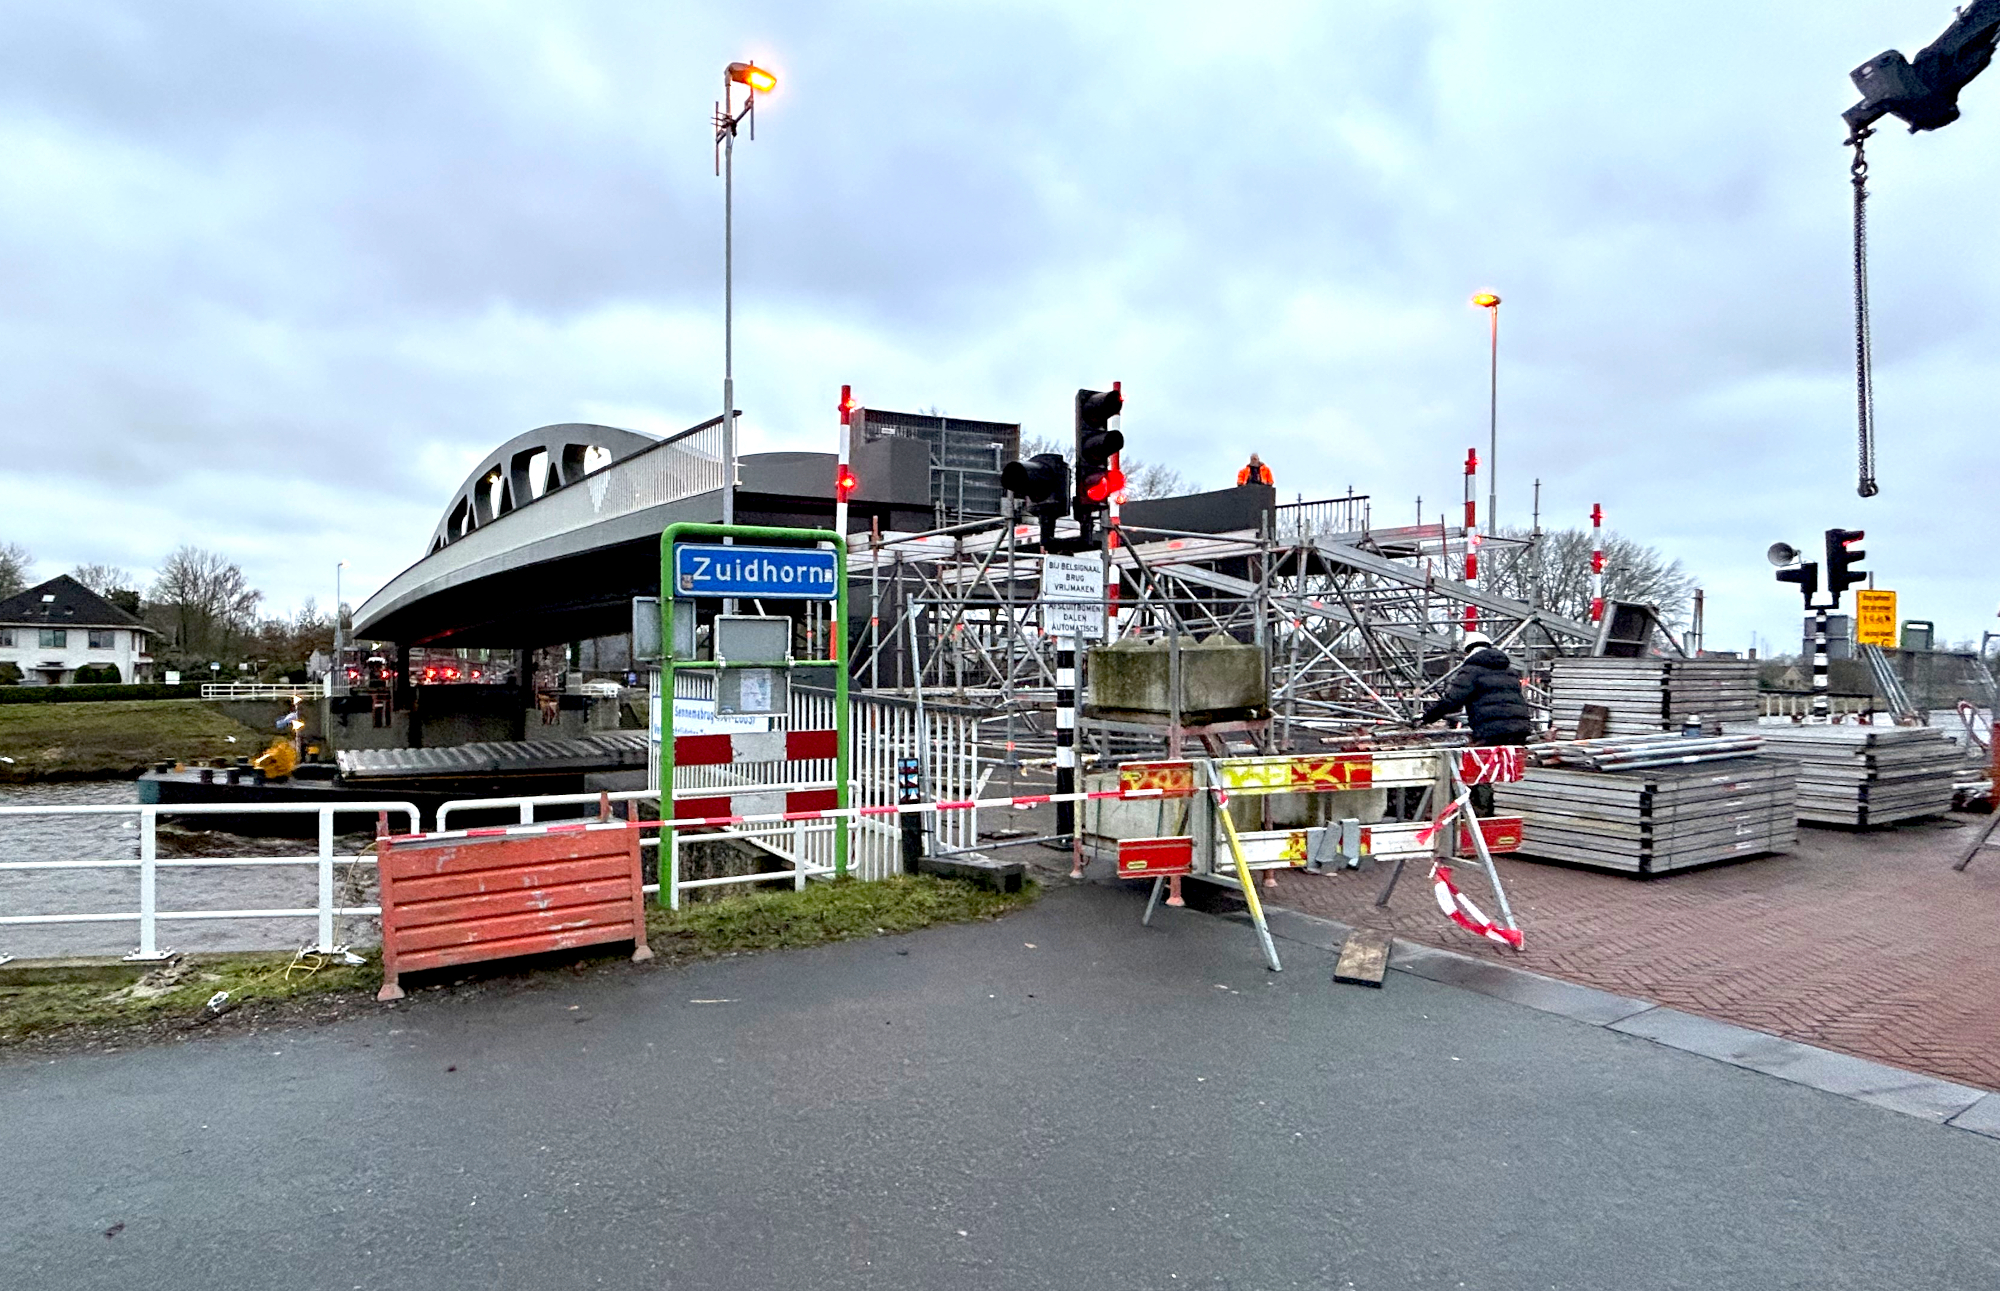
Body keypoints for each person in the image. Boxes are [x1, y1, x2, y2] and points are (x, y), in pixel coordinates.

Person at [1415, 631, 1532, 814]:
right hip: (1520, 729)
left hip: (1492, 731)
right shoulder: (1509, 671)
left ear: (1468, 650)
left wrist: (1426, 718)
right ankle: (1495, 809)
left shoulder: (1472, 670)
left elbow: (1452, 701)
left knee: (1477, 771)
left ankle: (1480, 812)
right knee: (1505, 770)